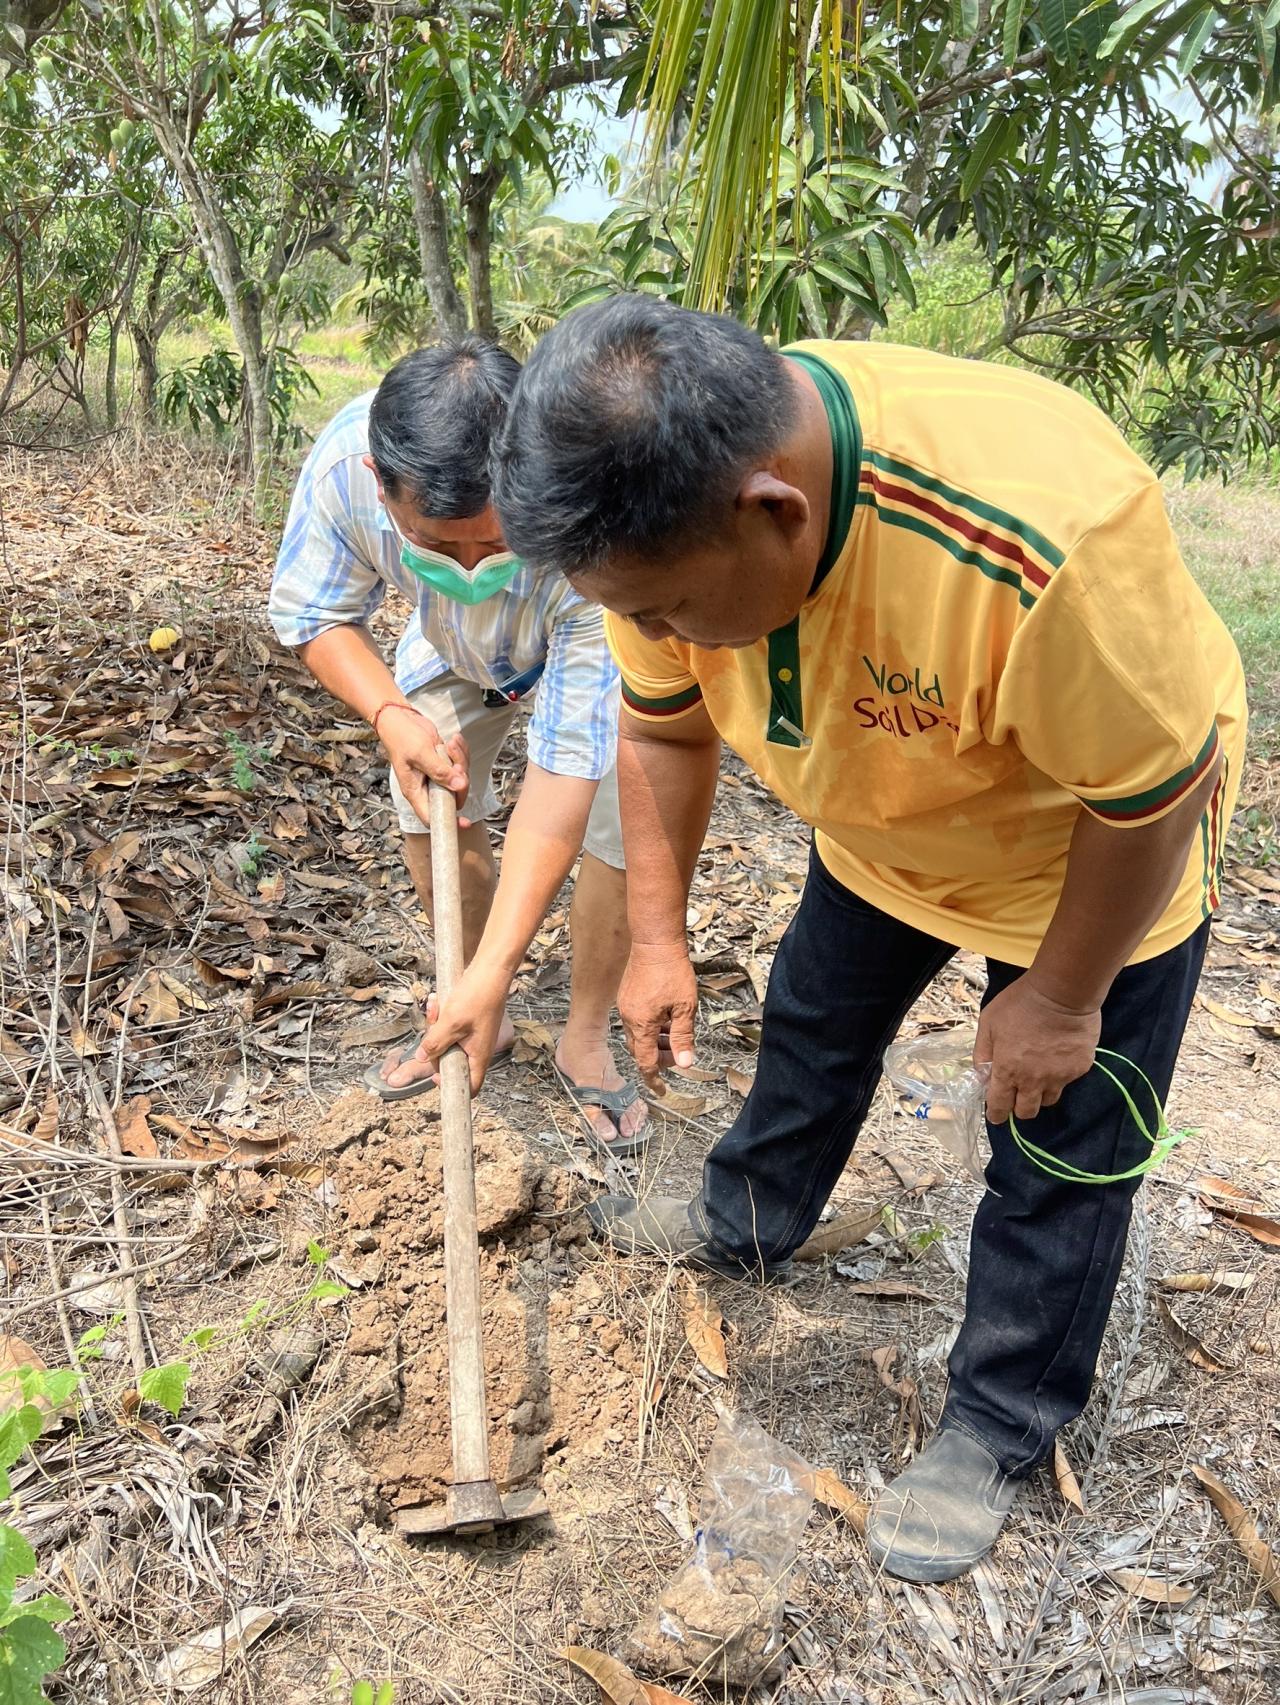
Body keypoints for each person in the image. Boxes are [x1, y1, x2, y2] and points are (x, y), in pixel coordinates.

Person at [483, 294, 1247, 1582]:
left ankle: (999, 1421)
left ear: (774, 513)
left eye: (668, 608)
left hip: (1089, 855)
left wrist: (1061, 1000)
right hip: (882, 828)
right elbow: (663, 729)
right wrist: (656, 936)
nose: (655, 633)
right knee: (813, 1024)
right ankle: (748, 1215)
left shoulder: (1041, 538)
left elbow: (1147, 794)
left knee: (1056, 1146)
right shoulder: (651, 512)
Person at [268, 336, 647, 1153]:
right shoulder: (345, 471)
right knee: (430, 811)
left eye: (497, 544)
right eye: (438, 548)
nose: (473, 567)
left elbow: (563, 783)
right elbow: (313, 612)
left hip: (592, 643)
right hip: (445, 651)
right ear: (383, 488)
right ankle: (485, 1012)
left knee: (616, 831)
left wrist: (499, 962)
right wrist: (389, 714)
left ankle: (583, 1032)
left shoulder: (590, 527)